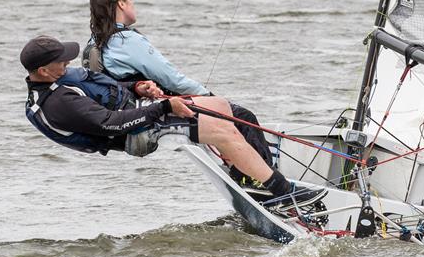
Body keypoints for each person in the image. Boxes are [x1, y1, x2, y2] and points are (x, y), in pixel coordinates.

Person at [21, 35, 317, 206]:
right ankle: (282, 193)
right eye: (61, 60)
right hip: (134, 134)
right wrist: (163, 107)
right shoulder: (58, 104)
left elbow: (103, 91)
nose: (68, 62)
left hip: (141, 109)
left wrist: (136, 87)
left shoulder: (61, 79)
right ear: (43, 71)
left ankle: (252, 179)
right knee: (223, 131)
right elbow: (112, 123)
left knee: (230, 110)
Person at [84, 0, 272, 170]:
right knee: (243, 117)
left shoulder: (94, 42)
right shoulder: (126, 41)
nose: (133, 4)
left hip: (126, 124)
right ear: (121, 4)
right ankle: (267, 179)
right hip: (154, 116)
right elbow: (172, 80)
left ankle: (244, 171)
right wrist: (210, 97)